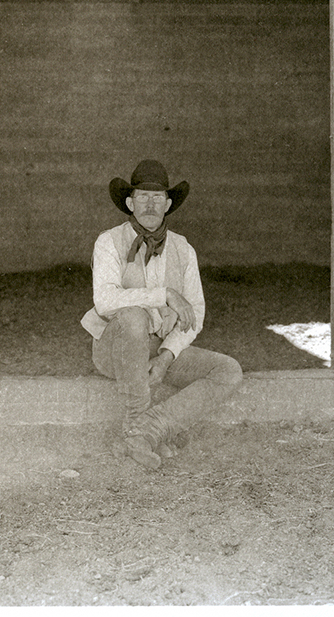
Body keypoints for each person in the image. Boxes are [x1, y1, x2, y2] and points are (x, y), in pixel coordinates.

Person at [81, 160, 243, 469]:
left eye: (158, 197)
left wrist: (167, 356)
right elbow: (104, 301)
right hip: (115, 351)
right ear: (130, 203)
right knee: (133, 315)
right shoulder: (108, 241)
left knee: (227, 371)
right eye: (142, 196)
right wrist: (164, 294)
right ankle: (135, 422)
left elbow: (195, 312)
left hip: (157, 350)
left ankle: (148, 431)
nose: (150, 204)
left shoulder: (183, 248)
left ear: (168, 205)